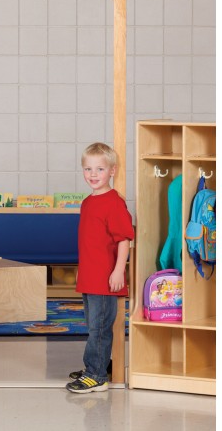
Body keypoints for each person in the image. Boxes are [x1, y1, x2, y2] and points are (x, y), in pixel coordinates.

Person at [66, 142, 134, 393]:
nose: (93, 174)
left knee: (100, 328)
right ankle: (98, 365)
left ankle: (96, 375)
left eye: (100, 169)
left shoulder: (114, 203)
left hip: (105, 279)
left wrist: (118, 271)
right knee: (93, 325)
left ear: (112, 171)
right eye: (88, 169)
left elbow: (124, 240)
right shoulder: (87, 202)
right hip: (90, 276)